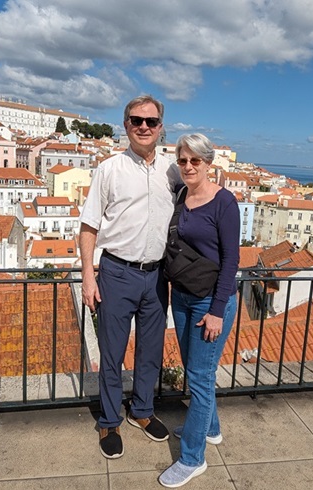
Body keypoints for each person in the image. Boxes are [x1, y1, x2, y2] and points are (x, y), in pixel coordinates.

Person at [80, 95, 181, 459]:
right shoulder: (109, 169)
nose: (143, 126)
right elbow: (89, 226)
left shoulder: (173, 171)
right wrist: (88, 276)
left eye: (151, 121)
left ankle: (141, 411)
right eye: (136, 120)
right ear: (125, 125)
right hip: (117, 272)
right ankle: (109, 420)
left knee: (151, 350)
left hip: (157, 275)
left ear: (160, 128)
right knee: (112, 352)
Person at [158, 133, 240, 488]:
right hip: (182, 297)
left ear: (208, 163)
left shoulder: (225, 202)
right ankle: (210, 428)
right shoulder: (181, 195)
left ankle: (192, 458)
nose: (189, 166)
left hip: (211, 301)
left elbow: (231, 260)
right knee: (197, 373)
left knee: (200, 376)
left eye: (195, 160)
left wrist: (218, 311)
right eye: (183, 160)